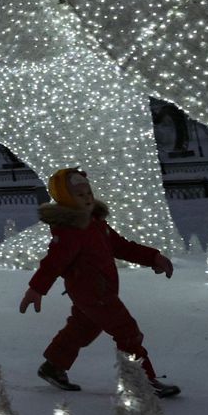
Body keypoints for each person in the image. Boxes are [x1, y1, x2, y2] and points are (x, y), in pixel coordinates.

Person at [18, 166, 181, 397]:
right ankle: (141, 380)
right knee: (127, 331)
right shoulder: (70, 231)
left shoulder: (95, 223)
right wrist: (36, 289)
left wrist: (153, 257)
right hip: (92, 292)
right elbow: (53, 262)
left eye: (89, 193)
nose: (87, 198)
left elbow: (121, 246)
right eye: (80, 195)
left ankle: (53, 366)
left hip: (100, 290)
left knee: (81, 329)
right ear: (67, 199)